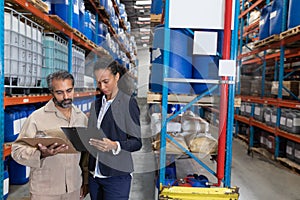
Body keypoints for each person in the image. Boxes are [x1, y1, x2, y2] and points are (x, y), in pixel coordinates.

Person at [11, 70, 89, 200]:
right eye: (59, 92)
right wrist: (40, 154)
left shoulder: (81, 118)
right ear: (52, 92)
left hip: (73, 188)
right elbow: (17, 150)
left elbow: (85, 155)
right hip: (45, 190)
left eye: (69, 91)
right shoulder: (37, 118)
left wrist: (85, 181)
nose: (65, 96)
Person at [87, 59, 142, 200]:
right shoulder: (96, 104)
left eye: (106, 81)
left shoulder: (128, 103)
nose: (102, 86)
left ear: (117, 77)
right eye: (98, 82)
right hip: (95, 174)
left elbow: (136, 142)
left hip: (117, 176)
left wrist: (115, 145)